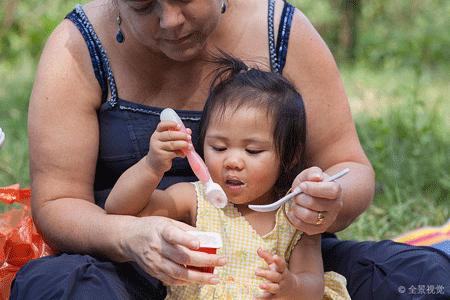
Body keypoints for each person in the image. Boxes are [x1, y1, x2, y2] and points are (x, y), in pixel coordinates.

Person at [10, 0, 450, 299]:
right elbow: (59, 202)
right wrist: (131, 236)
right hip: (126, 268)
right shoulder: (78, 47)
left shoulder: (282, 30)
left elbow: (349, 167)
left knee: (424, 279)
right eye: (143, 5)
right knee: (59, 287)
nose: (170, 20)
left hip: (274, 267)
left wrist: (326, 203)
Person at [104, 55, 351, 299]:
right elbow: (119, 208)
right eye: (219, 148)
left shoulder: (297, 215)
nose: (232, 161)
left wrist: (290, 286)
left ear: (290, 154)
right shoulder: (196, 199)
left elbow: (313, 283)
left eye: (252, 151)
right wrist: (152, 165)